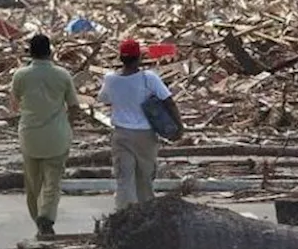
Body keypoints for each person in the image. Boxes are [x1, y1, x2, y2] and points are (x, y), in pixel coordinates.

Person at [97, 38, 184, 210]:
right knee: (144, 179)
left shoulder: (110, 79)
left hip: (121, 134)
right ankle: (146, 214)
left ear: (121, 58)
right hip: (145, 135)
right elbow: (169, 101)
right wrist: (179, 126)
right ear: (139, 58)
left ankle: (124, 215)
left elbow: (103, 99)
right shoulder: (148, 78)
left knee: (124, 179)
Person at [9, 34, 81, 238]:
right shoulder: (62, 75)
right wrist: (69, 125)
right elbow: (74, 107)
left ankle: (38, 219)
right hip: (57, 135)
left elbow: (14, 104)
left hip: (30, 135)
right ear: (50, 52)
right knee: (53, 181)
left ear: (30, 53)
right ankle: (46, 218)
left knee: (33, 183)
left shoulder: (20, 75)